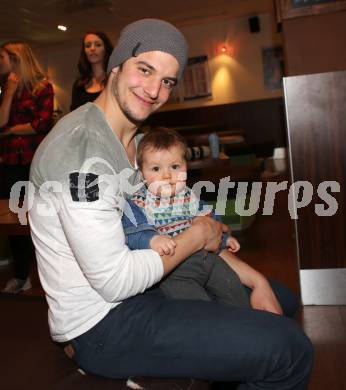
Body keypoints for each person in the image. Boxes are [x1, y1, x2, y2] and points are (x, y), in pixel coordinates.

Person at [28, 19, 313, 388]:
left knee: (282, 298)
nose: (153, 90)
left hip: (149, 287)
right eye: (144, 70)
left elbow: (177, 224)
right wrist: (198, 235)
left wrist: (255, 278)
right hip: (104, 325)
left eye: (166, 81)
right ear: (116, 66)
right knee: (289, 348)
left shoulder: (140, 148)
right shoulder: (82, 154)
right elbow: (116, 282)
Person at [122, 127, 250, 308]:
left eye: (175, 167)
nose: (167, 175)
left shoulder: (191, 196)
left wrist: (224, 238)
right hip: (175, 272)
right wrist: (152, 239)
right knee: (196, 307)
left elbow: (211, 219)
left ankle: (243, 320)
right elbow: (132, 232)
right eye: (156, 168)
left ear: (186, 168)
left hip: (208, 261)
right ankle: (209, 328)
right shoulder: (140, 203)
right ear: (142, 174)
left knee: (233, 286)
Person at [0, 41, 54, 293]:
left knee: (41, 219)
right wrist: (9, 92)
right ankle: (21, 275)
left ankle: (46, 276)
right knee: (13, 220)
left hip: (36, 162)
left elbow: (41, 124)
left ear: (16, 59)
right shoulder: (5, 88)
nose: (1, 61)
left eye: (4, 57)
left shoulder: (42, 87)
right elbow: (1, 122)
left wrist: (12, 129)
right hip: (10, 161)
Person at [70, 31, 113, 111]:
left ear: (106, 49)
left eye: (98, 45)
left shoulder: (114, 80)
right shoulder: (78, 85)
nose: (92, 48)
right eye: (88, 46)